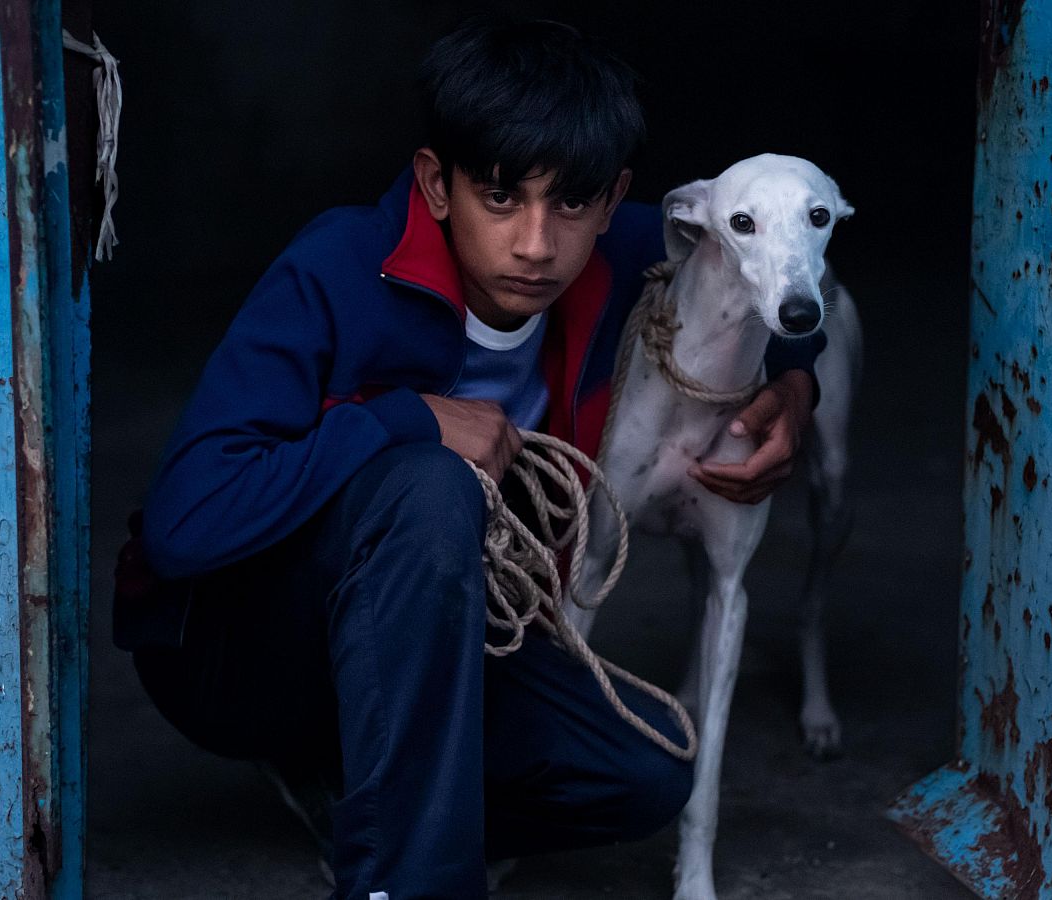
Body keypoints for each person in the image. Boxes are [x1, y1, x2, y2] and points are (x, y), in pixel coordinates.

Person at [117, 17, 824, 899]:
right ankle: (408, 884)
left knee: (638, 770)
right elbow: (183, 525)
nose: (535, 242)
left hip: (430, 644)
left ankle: (349, 781)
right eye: (499, 197)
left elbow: (770, 261)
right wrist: (405, 422)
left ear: (612, 203)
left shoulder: (635, 251)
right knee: (428, 484)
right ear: (436, 185)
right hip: (236, 654)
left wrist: (795, 386)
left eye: (571, 203)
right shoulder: (337, 267)